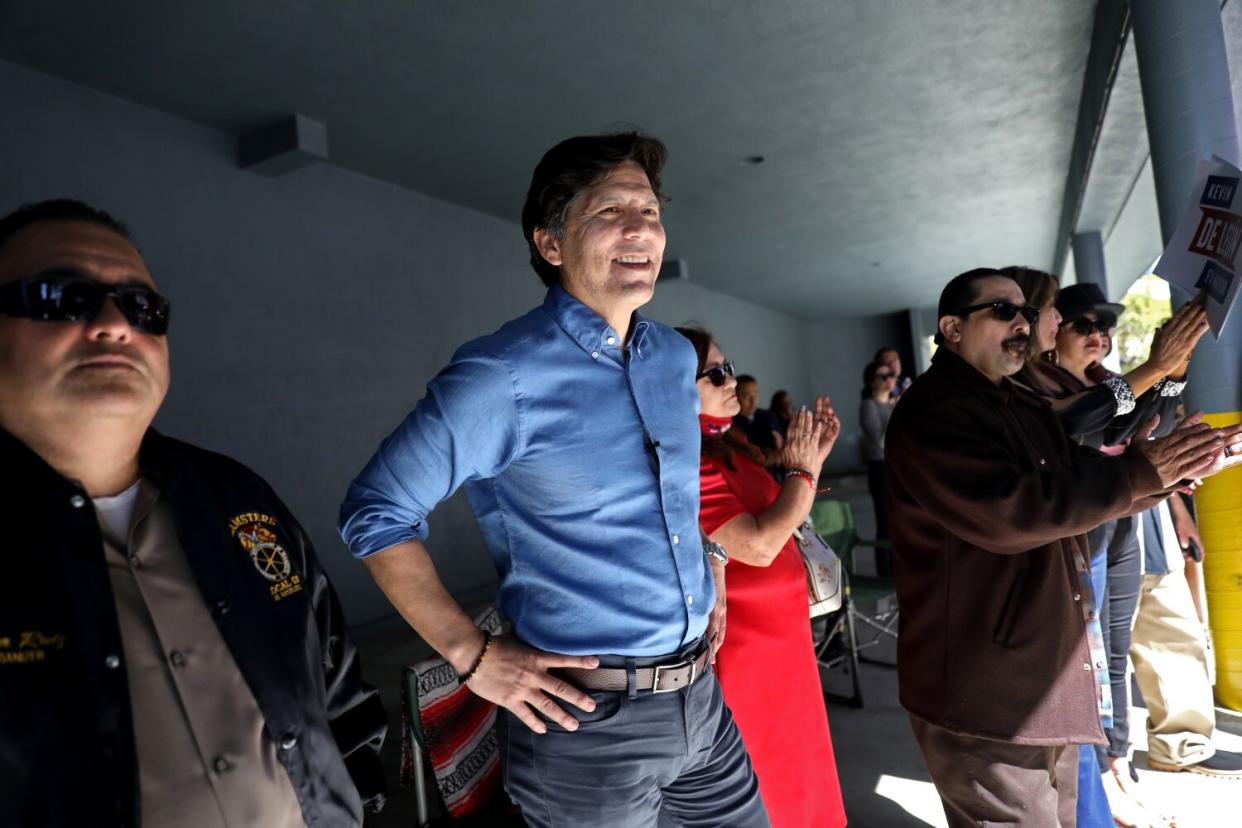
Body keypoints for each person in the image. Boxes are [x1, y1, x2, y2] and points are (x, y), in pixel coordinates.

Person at [338, 133, 768, 828]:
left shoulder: (670, 358)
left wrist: (707, 568)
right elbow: (374, 512)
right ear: (550, 243)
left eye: (650, 211)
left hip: (701, 701)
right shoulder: (501, 375)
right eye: (610, 211)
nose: (640, 228)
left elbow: (671, 499)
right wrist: (471, 656)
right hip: (586, 726)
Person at [0, 200, 387, 827]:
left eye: (141, 307)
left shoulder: (236, 499)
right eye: (61, 297)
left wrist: (356, 807)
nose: (114, 324)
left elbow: (338, 696)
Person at [884, 267, 1242, 827]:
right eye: (1003, 311)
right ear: (952, 328)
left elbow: (1077, 480)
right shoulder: (936, 411)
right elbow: (1011, 512)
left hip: (1036, 672)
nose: (1023, 323)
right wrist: (1144, 469)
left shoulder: (1012, 401)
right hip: (987, 690)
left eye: (1027, 312)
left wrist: (1170, 473)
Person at [679, 326, 847, 828]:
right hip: (743, 654)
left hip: (782, 644)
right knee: (766, 786)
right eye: (715, 373)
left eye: (728, 367)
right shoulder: (684, 462)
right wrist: (803, 474)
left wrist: (807, 464)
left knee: (803, 775)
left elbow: (781, 518)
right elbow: (758, 544)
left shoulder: (729, 447)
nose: (730, 379)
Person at [859, 361, 897, 552]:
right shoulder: (868, 405)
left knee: (900, 524)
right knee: (885, 525)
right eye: (883, 377)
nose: (889, 380)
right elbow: (879, 441)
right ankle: (884, 574)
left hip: (898, 467)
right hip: (880, 467)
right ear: (871, 382)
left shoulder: (893, 403)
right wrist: (898, 411)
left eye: (890, 375)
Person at [734, 373, 784, 465]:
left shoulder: (769, 417)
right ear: (735, 397)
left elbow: (781, 447)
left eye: (756, 395)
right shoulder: (731, 425)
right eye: (747, 396)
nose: (753, 401)